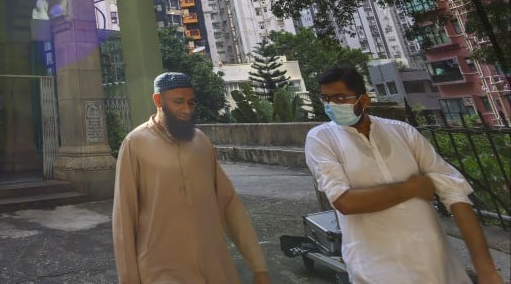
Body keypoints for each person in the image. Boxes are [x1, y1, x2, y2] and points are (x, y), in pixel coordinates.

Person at [305, 66, 502, 284]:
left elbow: (455, 193)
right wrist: (412, 188)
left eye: (341, 98)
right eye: (326, 98)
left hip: (437, 264)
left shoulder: (403, 132)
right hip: (376, 269)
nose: (332, 105)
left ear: (364, 100)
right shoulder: (321, 139)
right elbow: (344, 202)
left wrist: (486, 270)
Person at [112, 71, 272, 284]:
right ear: (158, 100)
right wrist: (129, 279)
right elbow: (124, 217)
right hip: (160, 270)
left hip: (214, 266)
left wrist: (259, 267)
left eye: (191, 102)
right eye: (178, 102)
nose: (187, 110)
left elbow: (230, 205)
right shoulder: (135, 144)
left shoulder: (201, 142)